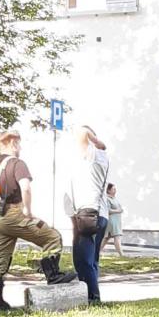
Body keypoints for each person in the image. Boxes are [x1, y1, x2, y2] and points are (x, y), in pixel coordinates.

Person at [0, 128, 76, 312]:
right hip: (13, 214)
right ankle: (53, 276)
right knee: (52, 237)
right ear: (13, 143)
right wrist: (27, 210)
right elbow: (25, 188)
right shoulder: (17, 164)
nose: (20, 146)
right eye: (18, 143)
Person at [68, 126, 110, 304]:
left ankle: (92, 298)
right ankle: (92, 295)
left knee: (83, 260)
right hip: (98, 214)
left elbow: (82, 133)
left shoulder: (94, 156)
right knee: (91, 260)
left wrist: (95, 139)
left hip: (89, 214)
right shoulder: (97, 158)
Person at [102, 183, 124, 256]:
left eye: (115, 189)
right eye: (113, 189)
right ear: (108, 190)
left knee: (106, 238)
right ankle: (121, 254)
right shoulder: (107, 199)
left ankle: (96, 252)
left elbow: (119, 208)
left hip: (117, 221)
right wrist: (118, 211)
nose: (115, 190)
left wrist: (120, 210)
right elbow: (108, 210)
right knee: (117, 237)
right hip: (112, 221)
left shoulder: (114, 198)